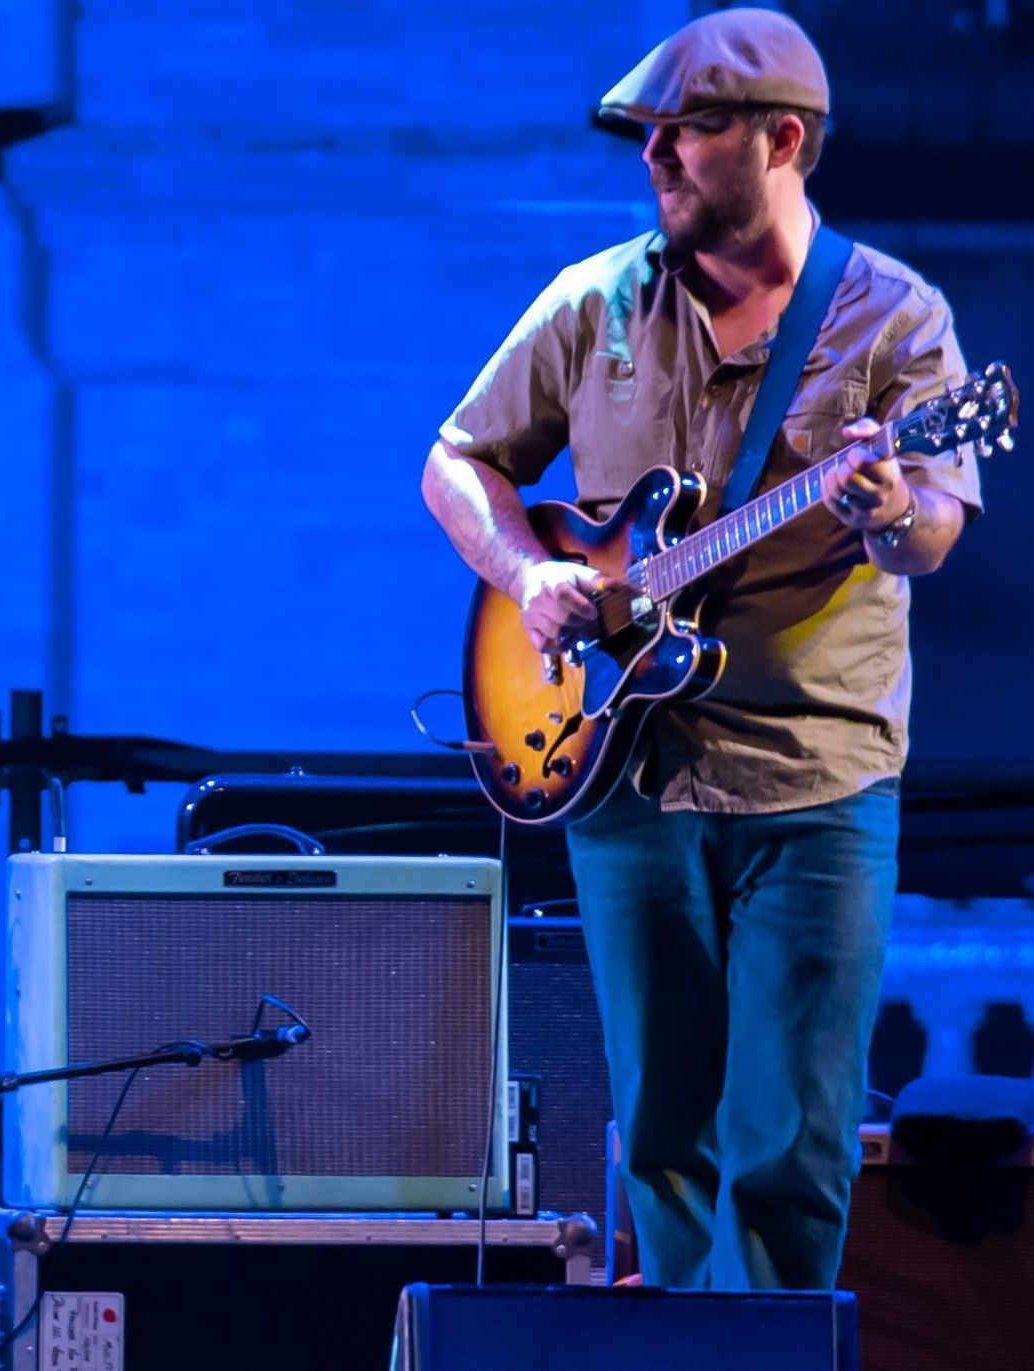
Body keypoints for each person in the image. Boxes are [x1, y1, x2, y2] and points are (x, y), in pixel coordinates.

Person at [421, 9, 979, 1291]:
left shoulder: (894, 318)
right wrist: (527, 571)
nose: (655, 155)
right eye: (648, 133)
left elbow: (934, 532)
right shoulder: (594, 303)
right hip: (624, 763)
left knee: (792, 1140)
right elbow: (456, 461)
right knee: (662, 1132)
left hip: (815, 776)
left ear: (782, 140)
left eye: (690, 129)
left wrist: (888, 507)